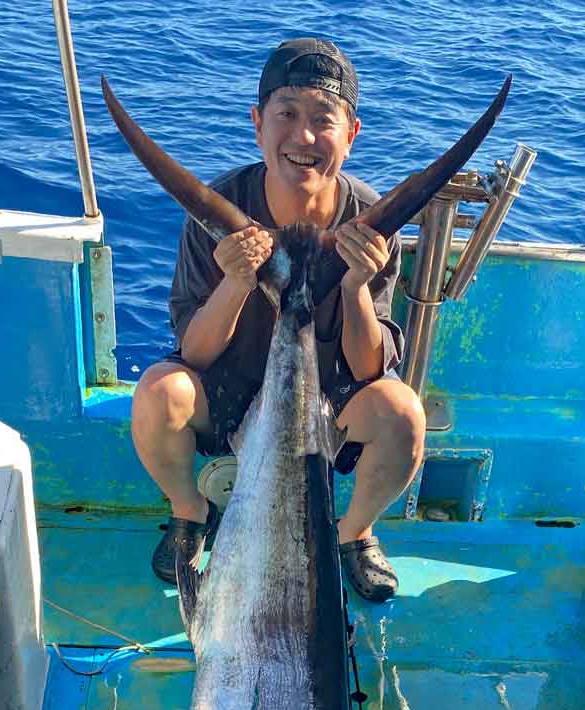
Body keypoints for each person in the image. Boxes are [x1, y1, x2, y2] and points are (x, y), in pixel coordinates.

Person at [131, 36, 426, 602]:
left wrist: (357, 284)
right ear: (257, 124)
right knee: (157, 393)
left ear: (352, 134)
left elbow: (370, 370)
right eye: (286, 114)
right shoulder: (213, 212)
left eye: (323, 119)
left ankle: (353, 533)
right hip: (232, 392)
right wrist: (240, 280)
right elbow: (193, 355)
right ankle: (190, 512)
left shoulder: (370, 222)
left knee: (403, 413)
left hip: (330, 403)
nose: (304, 137)